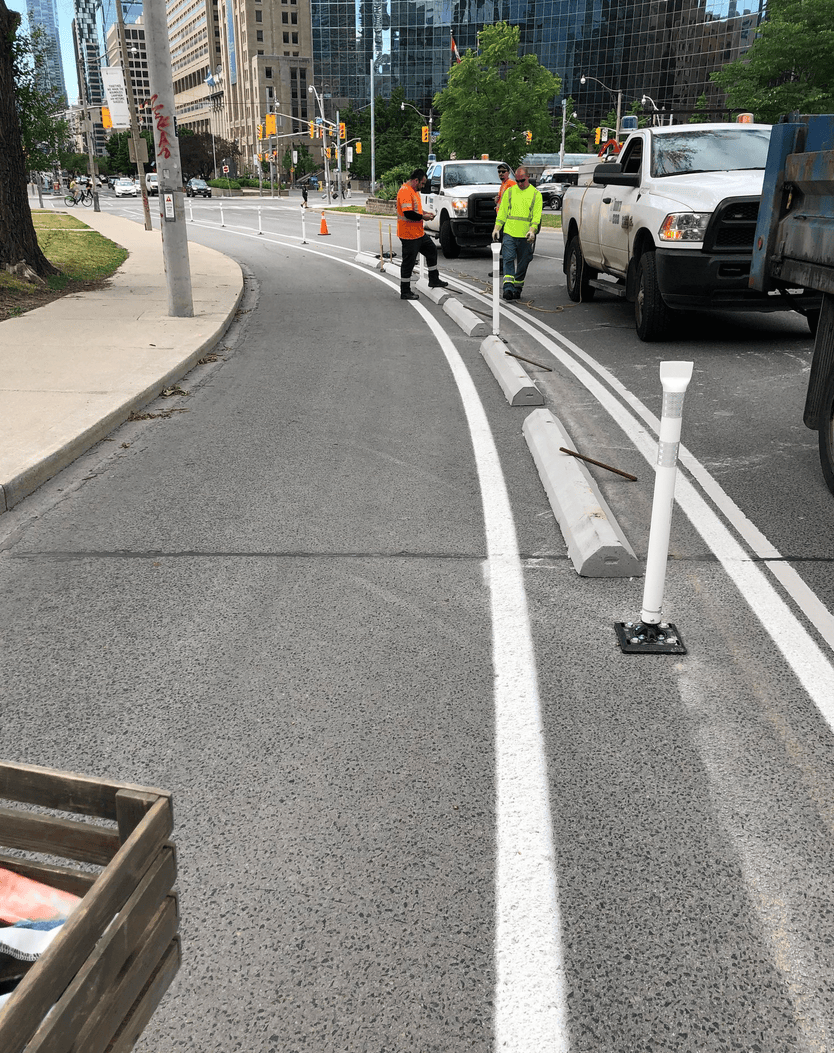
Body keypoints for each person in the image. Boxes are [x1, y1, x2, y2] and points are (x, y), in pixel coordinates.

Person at [396, 168, 448, 300]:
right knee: (409, 262)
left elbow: (416, 210)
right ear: (415, 181)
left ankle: (434, 279)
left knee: (431, 250)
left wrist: (424, 213)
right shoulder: (405, 191)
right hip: (408, 234)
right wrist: (423, 218)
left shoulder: (414, 191)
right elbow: (408, 213)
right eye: (422, 183)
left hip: (418, 233)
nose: (423, 186)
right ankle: (405, 290)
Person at [492, 165, 543, 301]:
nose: (520, 184)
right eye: (518, 181)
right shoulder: (510, 192)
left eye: (523, 181)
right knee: (508, 259)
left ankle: (518, 287)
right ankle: (508, 288)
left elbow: (536, 217)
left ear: (528, 178)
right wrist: (497, 228)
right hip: (509, 232)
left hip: (526, 236)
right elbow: (502, 212)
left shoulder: (535, 195)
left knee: (523, 263)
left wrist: (532, 231)